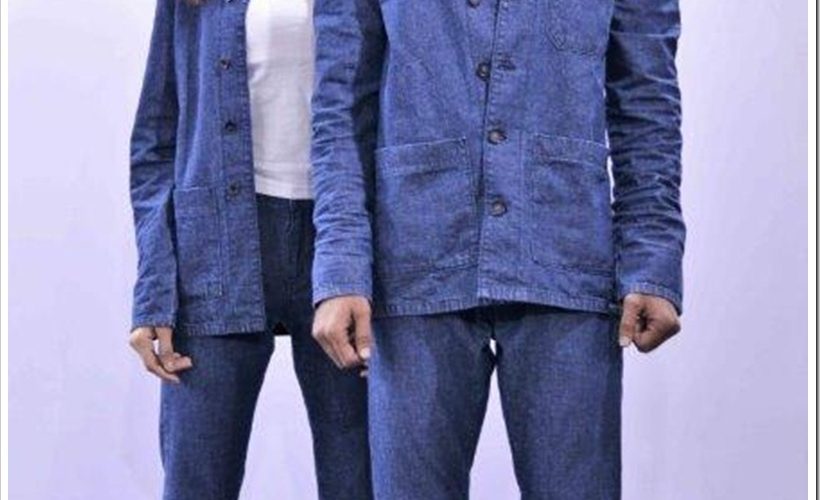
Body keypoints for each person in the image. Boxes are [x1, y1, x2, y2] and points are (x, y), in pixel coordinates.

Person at [310, 0, 685, 498]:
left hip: (565, 255)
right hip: (415, 260)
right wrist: (341, 266)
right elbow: (340, 107)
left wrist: (652, 257)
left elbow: (646, 105)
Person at [127, 1, 371, 499]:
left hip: (347, 244)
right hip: (216, 247)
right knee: (196, 483)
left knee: (360, 481)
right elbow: (155, 142)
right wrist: (154, 292)